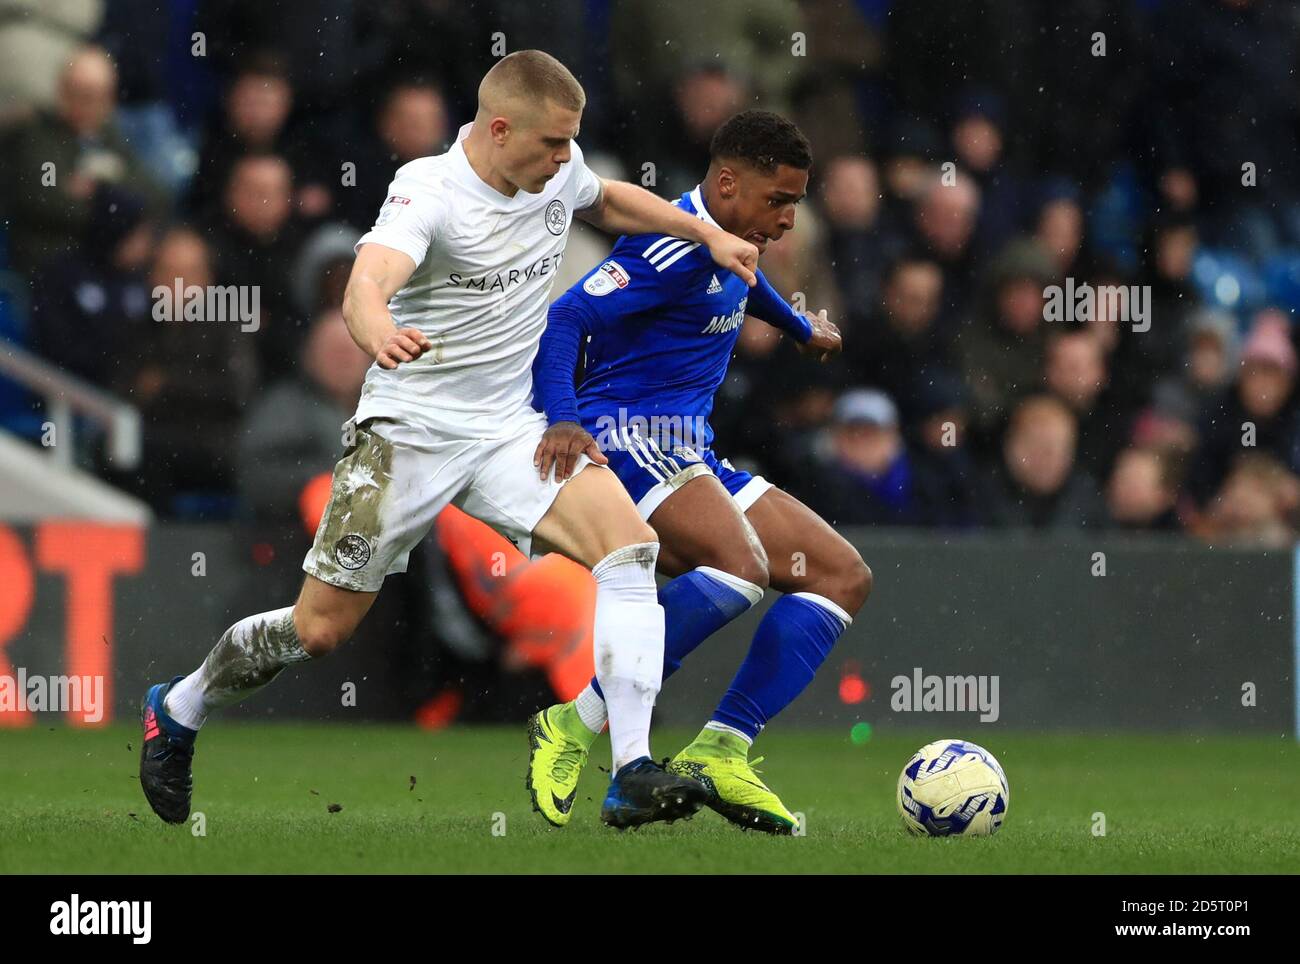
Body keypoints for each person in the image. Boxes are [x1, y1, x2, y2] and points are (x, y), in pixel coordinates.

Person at [138, 50, 762, 831]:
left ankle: (630, 769)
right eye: (552, 143)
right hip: (408, 436)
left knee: (628, 548)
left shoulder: (553, 172)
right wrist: (378, 334)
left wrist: (704, 234)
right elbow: (368, 284)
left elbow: (611, 200)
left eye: (572, 142)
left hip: (510, 430)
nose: (566, 158)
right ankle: (181, 705)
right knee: (318, 630)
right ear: (499, 130)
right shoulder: (428, 192)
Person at [529, 110, 871, 834]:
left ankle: (721, 749)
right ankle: (575, 721)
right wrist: (564, 417)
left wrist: (799, 326)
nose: (785, 220)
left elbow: (739, 281)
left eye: (795, 203)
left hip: (690, 447)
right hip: (626, 436)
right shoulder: (664, 246)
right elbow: (566, 320)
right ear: (725, 184)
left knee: (840, 576)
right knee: (739, 565)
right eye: (777, 200)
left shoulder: (732, 241)